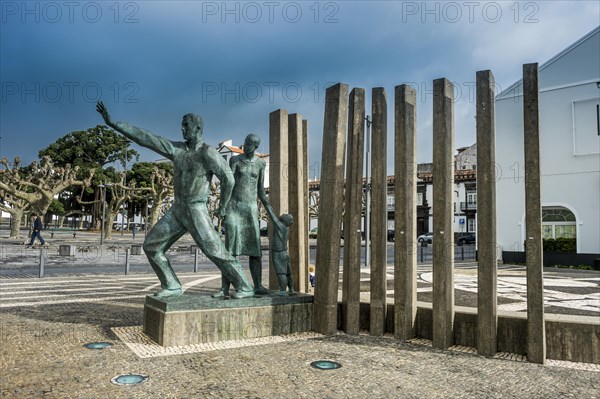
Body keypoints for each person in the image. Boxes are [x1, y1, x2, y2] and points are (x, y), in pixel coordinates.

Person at [96, 101, 254, 299]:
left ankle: (245, 287)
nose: (182, 129)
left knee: (215, 251)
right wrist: (114, 124)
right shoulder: (176, 149)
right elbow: (147, 139)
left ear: (197, 128)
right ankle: (171, 284)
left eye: (186, 125)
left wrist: (222, 207)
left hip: (196, 209)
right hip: (178, 210)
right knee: (151, 246)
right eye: (182, 125)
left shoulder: (208, 152)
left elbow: (228, 179)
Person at [213, 134, 270, 297]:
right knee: (230, 251)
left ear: (256, 146)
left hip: (250, 210)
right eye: (245, 142)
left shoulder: (260, 164)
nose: (245, 145)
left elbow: (260, 190)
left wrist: (269, 209)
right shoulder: (235, 160)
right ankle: (224, 288)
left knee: (255, 251)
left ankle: (258, 285)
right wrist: (222, 206)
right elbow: (228, 184)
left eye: (249, 144)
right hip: (234, 207)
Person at [264, 204, 294, 296]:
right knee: (288, 273)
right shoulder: (286, 228)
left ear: (285, 220)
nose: (284, 214)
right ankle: (291, 289)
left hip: (279, 253)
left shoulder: (280, 226)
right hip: (285, 253)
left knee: (281, 273)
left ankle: (283, 291)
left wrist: (266, 204)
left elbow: (272, 215)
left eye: (286, 215)